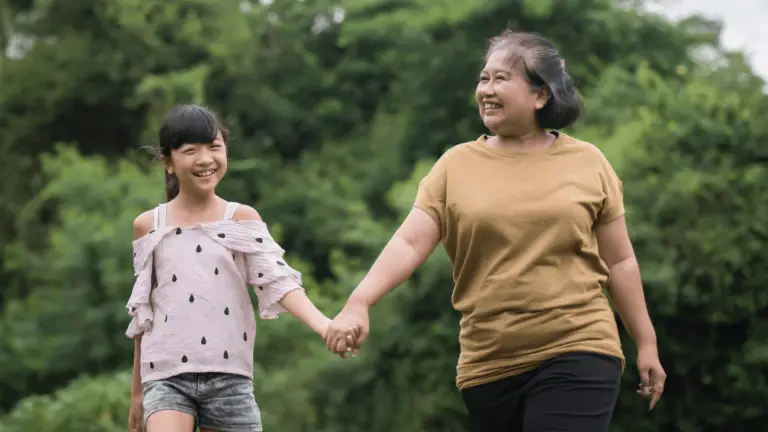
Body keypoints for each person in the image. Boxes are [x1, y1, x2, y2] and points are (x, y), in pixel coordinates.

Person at [324, 30, 666, 432]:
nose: (486, 89)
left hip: (579, 343)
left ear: (540, 95)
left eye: (501, 79)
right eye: (483, 78)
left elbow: (620, 260)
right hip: (488, 363)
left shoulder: (588, 163)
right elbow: (409, 241)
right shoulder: (455, 165)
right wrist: (360, 300)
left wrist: (646, 341)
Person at [125, 104, 355, 432]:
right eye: (191, 150)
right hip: (165, 376)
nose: (205, 159)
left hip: (229, 378)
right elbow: (142, 313)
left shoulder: (241, 219)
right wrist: (137, 394)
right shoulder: (148, 225)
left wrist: (325, 326)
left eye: (214, 147)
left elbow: (278, 281)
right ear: (169, 162)